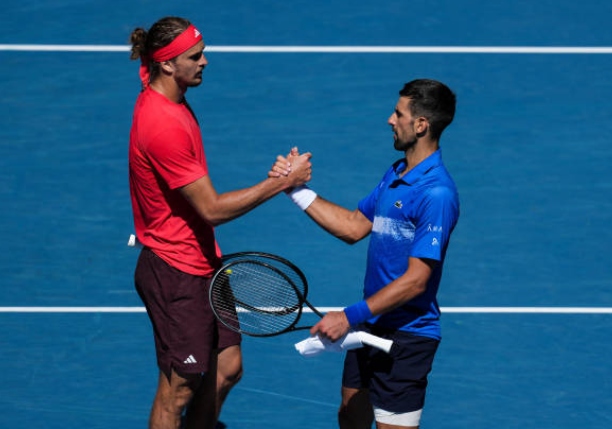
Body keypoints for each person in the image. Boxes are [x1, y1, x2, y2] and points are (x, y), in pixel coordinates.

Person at [128, 16, 311, 429]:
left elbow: (147, 63)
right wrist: (282, 182)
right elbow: (210, 209)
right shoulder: (163, 125)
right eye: (195, 56)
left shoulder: (162, 86)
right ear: (168, 64)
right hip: (176, 270)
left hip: (202, 260)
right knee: (177, 391)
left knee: (227, 367)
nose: (206, 61)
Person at [280, 79, 459, 429]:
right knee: (350, 415)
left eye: (399, 113)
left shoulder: (436, 193)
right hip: (370, 324)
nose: (390, 120)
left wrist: (348, 316)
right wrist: (295, 190)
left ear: (421, 125)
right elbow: (352, 226)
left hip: (408, 338)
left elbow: (416, 282)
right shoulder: (396, 174)